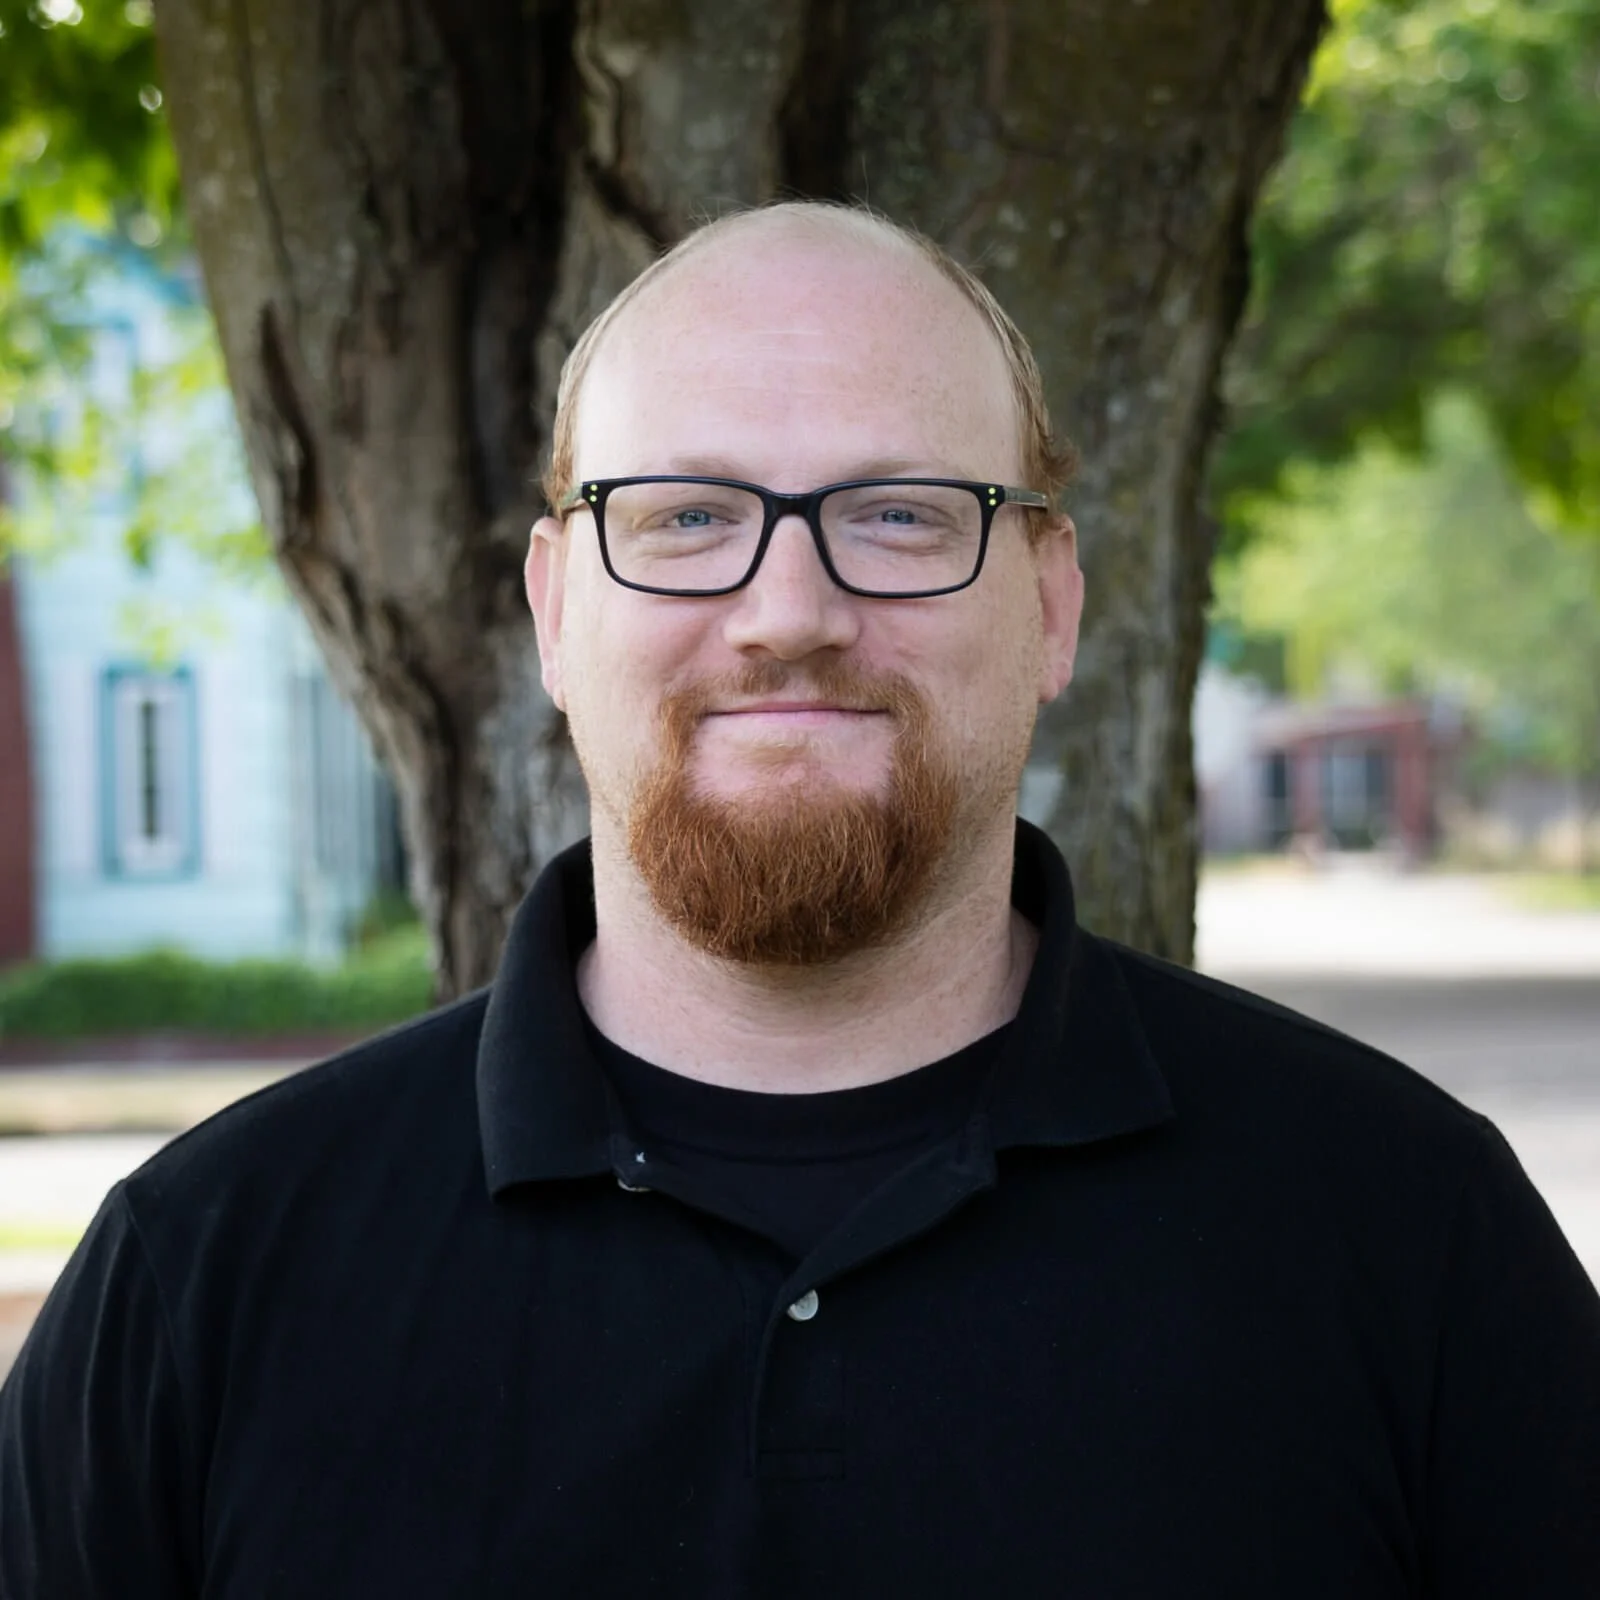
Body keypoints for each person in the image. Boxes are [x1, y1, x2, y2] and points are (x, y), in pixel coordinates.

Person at [3, 201, 1597, 1598]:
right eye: (686, 518)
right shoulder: (201, 1278)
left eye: (899, 514)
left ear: (1052, 606)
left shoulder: (1406, 1235)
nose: (788, 612)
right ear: (555, 613)